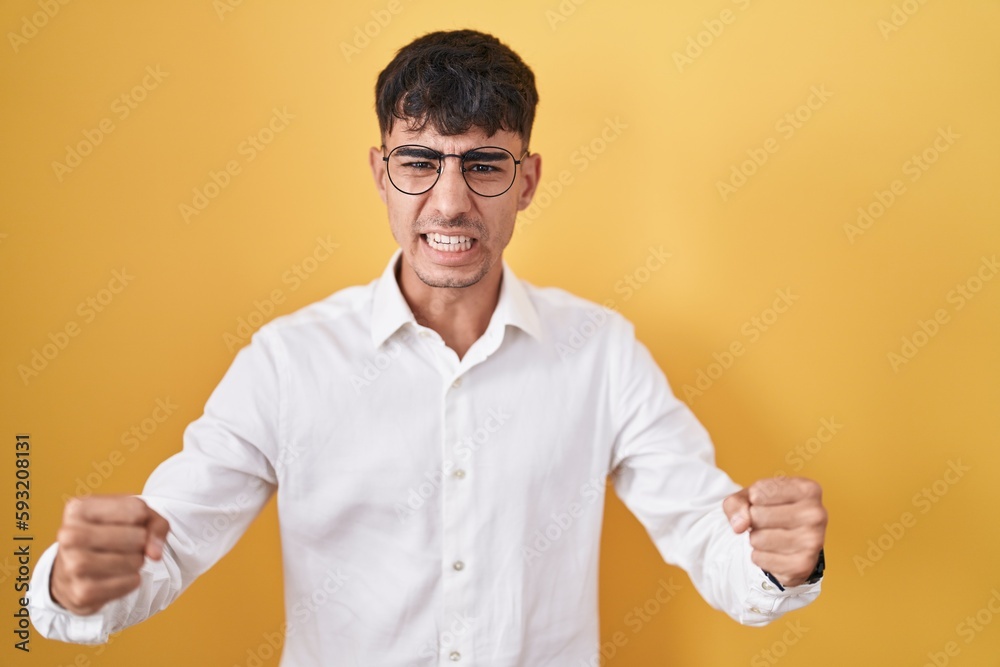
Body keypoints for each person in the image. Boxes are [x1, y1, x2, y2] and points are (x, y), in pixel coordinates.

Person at [29, 29, 827, 665]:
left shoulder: (602, 353)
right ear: (381, 174)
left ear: (528, 180)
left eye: (484, 164)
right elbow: (166, 545)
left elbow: (710, 535)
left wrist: (775, 559)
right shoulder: (286, 363)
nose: (450, 201)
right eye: (419, 162)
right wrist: (75, 581)